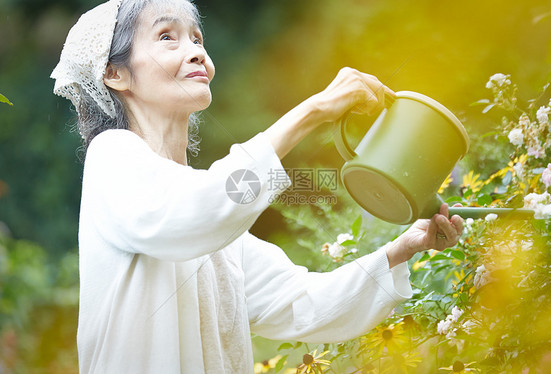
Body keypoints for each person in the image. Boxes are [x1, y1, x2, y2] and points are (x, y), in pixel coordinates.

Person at [51, 0, 464, 372]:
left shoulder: (214, 217)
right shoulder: (113, 156)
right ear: (115, 74)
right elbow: (203, 209)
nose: (197, 51)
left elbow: (303, 303)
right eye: (166, 37)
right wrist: (314, 110)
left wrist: (402, 248)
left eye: (197, 37)